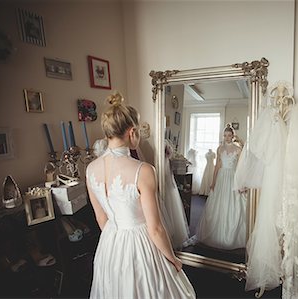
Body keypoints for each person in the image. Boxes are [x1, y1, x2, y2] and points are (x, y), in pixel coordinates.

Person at [86, 91, 195, 298]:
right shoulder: (143, 170)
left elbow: (101, 217)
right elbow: (155, 228)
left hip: (110, 242)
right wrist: (172, 258)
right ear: (132, 132)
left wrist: (116, 241)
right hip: (140, 244)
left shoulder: (91, 169)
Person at [196, 124, 247, 250]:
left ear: (233, 136)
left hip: (232, 177)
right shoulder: (219, 149)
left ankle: (231, 235)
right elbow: (217, 166)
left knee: (232, 204)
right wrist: (213, 182)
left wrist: (241, 182)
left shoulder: (238, 149)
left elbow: (241, 168)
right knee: (219, 204)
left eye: (229, 135)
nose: (227, 138)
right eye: (225, 135)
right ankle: (215, 234)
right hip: (221, 177)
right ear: (223, 136)